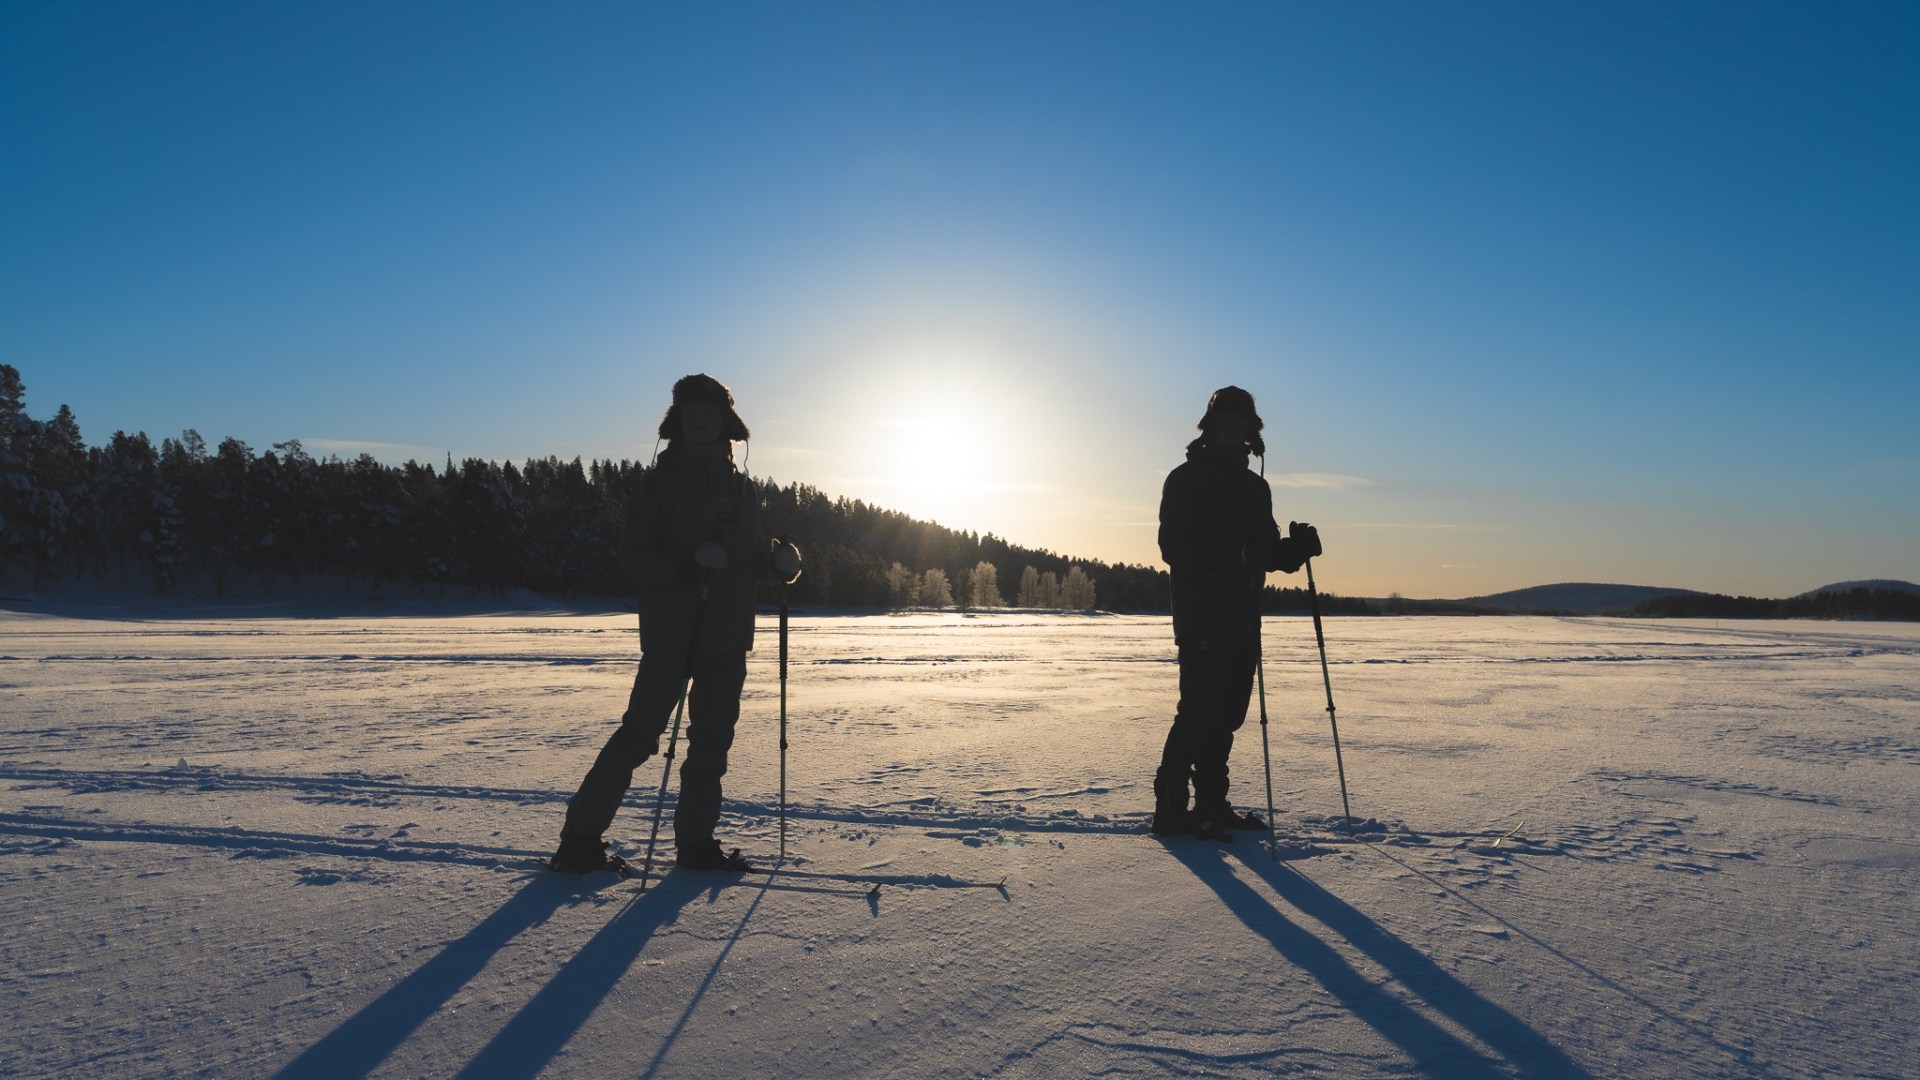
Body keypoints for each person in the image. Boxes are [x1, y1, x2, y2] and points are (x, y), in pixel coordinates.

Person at [550, 373, 802, 873]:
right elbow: (634, 556)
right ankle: (578, 841)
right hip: (673, 634)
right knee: (641, 736)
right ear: (678, 420)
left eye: (709, 410)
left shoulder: (742, 487)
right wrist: (686, 564)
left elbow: (740, 565)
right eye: (691, 412)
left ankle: (696, 846)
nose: (700, 418)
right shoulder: (661, 482)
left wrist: (777, 569)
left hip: (727, 636)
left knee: (711, 743)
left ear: (726, 420)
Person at [1154, 385, 1321, 839]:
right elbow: (1174, 547)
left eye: (1240, 419)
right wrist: (1236, 551)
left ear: (1251, 428)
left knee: (1228, 714)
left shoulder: (1254, 486)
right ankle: (1170, 810)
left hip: (1243, 616)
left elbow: (1263, 552)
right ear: (1210, 425)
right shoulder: (1185, 479)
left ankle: (1211, 803)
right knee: (1198, 711)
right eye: (1223, 418)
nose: (1232, 426)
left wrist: (1295, 551)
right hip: (1202, 613)